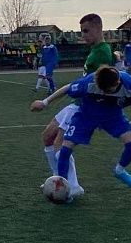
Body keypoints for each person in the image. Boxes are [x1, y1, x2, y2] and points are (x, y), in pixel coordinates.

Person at [31, 66, 131, 195]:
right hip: (86, 115)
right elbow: (68, 88)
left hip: (113, 116)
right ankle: (63, 187)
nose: (103, 93)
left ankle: (119, 170)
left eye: (107, 91)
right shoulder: (89, 81)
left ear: (117, 82)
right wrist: (45, 102)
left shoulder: (130, 85)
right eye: (101, 89)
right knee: (65, 149)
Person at [39, 13, 114, 198]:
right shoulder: (97, 50)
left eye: (86, 31)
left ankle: (72, 187)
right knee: (47, 137)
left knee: (60, 145)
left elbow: (106, 85)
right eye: (82, 31)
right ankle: (58, 180)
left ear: (98, 28)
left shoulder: (102, 52)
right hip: (77, 103)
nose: (83, 35)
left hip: (85, 107)